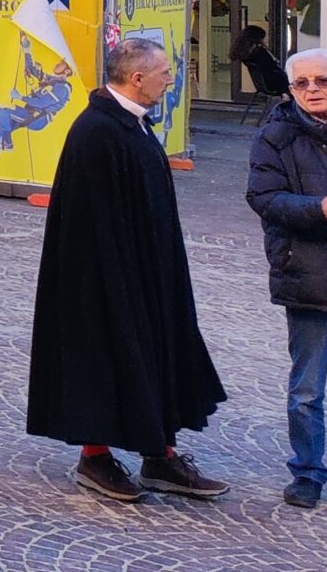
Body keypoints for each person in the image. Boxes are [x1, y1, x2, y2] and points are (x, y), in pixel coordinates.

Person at [27, 36, 229, 502]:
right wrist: (119, 283)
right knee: (108, 359)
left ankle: (160, 453)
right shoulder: (97, 131)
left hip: (149, 268)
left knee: (158, 352)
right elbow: (89, 224)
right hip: (106, 279)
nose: (171, 81)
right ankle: (95, 457)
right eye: (165, 74)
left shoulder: (130, 123)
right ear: (137, 78)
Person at [247, 47, 327, 507]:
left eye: (321, 81)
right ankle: (308, 473)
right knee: (307, 389)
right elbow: (263, 197)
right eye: (301, 84)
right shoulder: (276, 135)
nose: (312, 90)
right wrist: (317, 210)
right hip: (310, 272)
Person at [235, 24, 291, 106]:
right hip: (274, 83)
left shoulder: (246, 55)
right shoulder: (260, 53)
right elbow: (271, 66)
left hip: (263, 85)